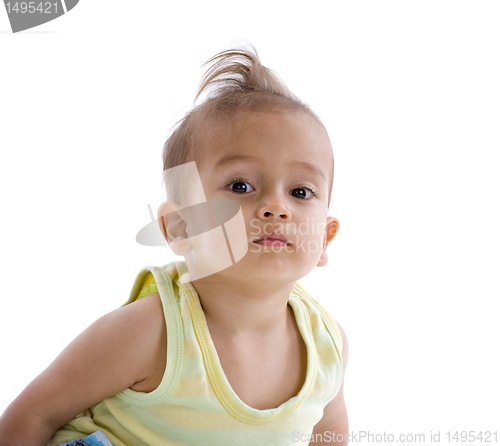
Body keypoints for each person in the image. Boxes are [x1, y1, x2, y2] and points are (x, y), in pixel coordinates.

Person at [0, 45, 349, 446]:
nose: (275, 207)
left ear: (325, 237)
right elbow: (33, 415)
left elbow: (328, 437)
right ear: (181, 227)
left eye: (301, 191)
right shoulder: (149, 333)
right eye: (241, 186)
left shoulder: (327, 345)